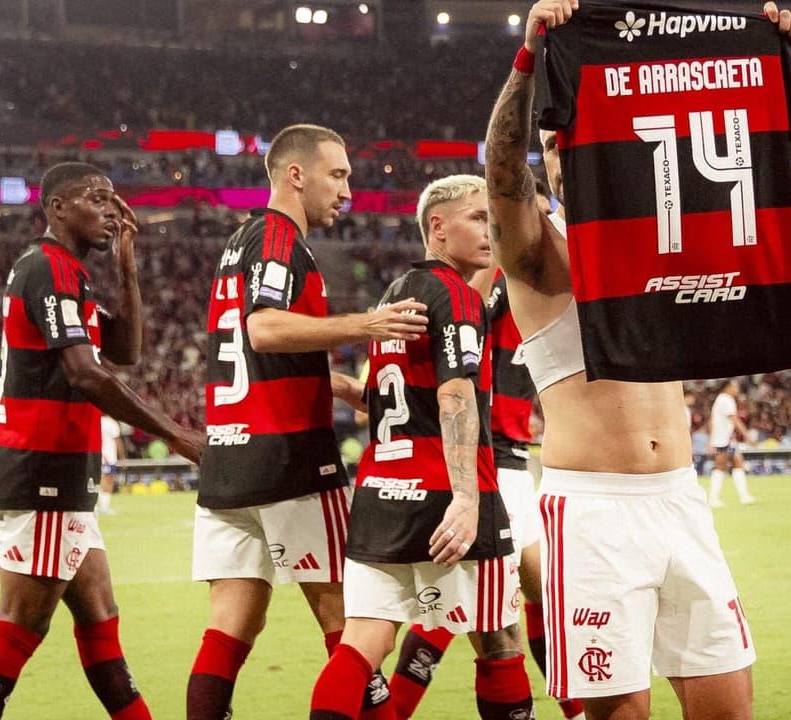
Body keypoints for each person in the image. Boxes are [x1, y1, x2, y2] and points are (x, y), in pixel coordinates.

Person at [480, 2, 791, 717]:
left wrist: (778, 60)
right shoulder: (537, 250)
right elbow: (500, 170)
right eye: (561, 143)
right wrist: (528, 58)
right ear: (553, 156)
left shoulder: (664, 235)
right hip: (594, 508)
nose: (577, 150)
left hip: (680, 498)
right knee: (621, 714)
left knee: (730, 706)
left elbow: (739, 149)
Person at [187, 124, 426, 720]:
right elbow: (264, 329)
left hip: (229, 458)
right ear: (297, 175)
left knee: (229, 627)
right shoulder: (278, 238)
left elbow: (254, 348)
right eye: (338, 174)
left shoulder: (239, 240)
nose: (348, 190)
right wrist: (368, 325)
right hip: (289, 459)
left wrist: (340, 385)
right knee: (350, 621)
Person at [0, 162, 205, 720]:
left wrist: (128, 267)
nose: (112, 210)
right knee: (21, 627)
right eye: (97, 198)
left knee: (99, 615)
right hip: (44, 469)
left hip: (62, 473)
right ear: (58, 208)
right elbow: (86, 374)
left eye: (114, 200)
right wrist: (179, 435)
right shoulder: (48, 268)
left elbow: (126, 352)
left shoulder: (70, 273)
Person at [309, 175, 533, 720]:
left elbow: (387, 396)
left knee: (361, 645)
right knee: (499, 640)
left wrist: (330, 382)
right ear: (438, 226)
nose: (491, 229)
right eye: (477, 218)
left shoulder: (394, 294)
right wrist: (466, 496)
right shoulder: (456, 292)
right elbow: (456, 391)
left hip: (380, 492)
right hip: (444, 494)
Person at [387, 250, 585, 720]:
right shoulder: (493, 274)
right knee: (479, 609)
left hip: (511, 460)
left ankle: (576, 711)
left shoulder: (543, 282)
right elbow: (457, 324)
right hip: (488, 460)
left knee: (533, 596)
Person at [707, 379, 755, 507]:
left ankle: (744, 496)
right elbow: (734, 419)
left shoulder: (721, 399)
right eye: (735, 386)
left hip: (723, 438)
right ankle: (713, 498)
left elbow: (712, 421)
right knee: (720, 466)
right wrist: (747, 436)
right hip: (722, 439)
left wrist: (711, 440)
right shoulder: (726, 400)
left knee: (737, 462)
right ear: (728, 387)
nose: (737, 389)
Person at [99, 415, 123, 515]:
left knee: (99, 480)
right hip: (109, 457)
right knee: (108, 481)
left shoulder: (98, 421)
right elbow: (117, 442)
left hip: (98, 455)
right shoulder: (112, 423)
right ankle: (104, 507)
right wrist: (122, 456)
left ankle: (101, 506)